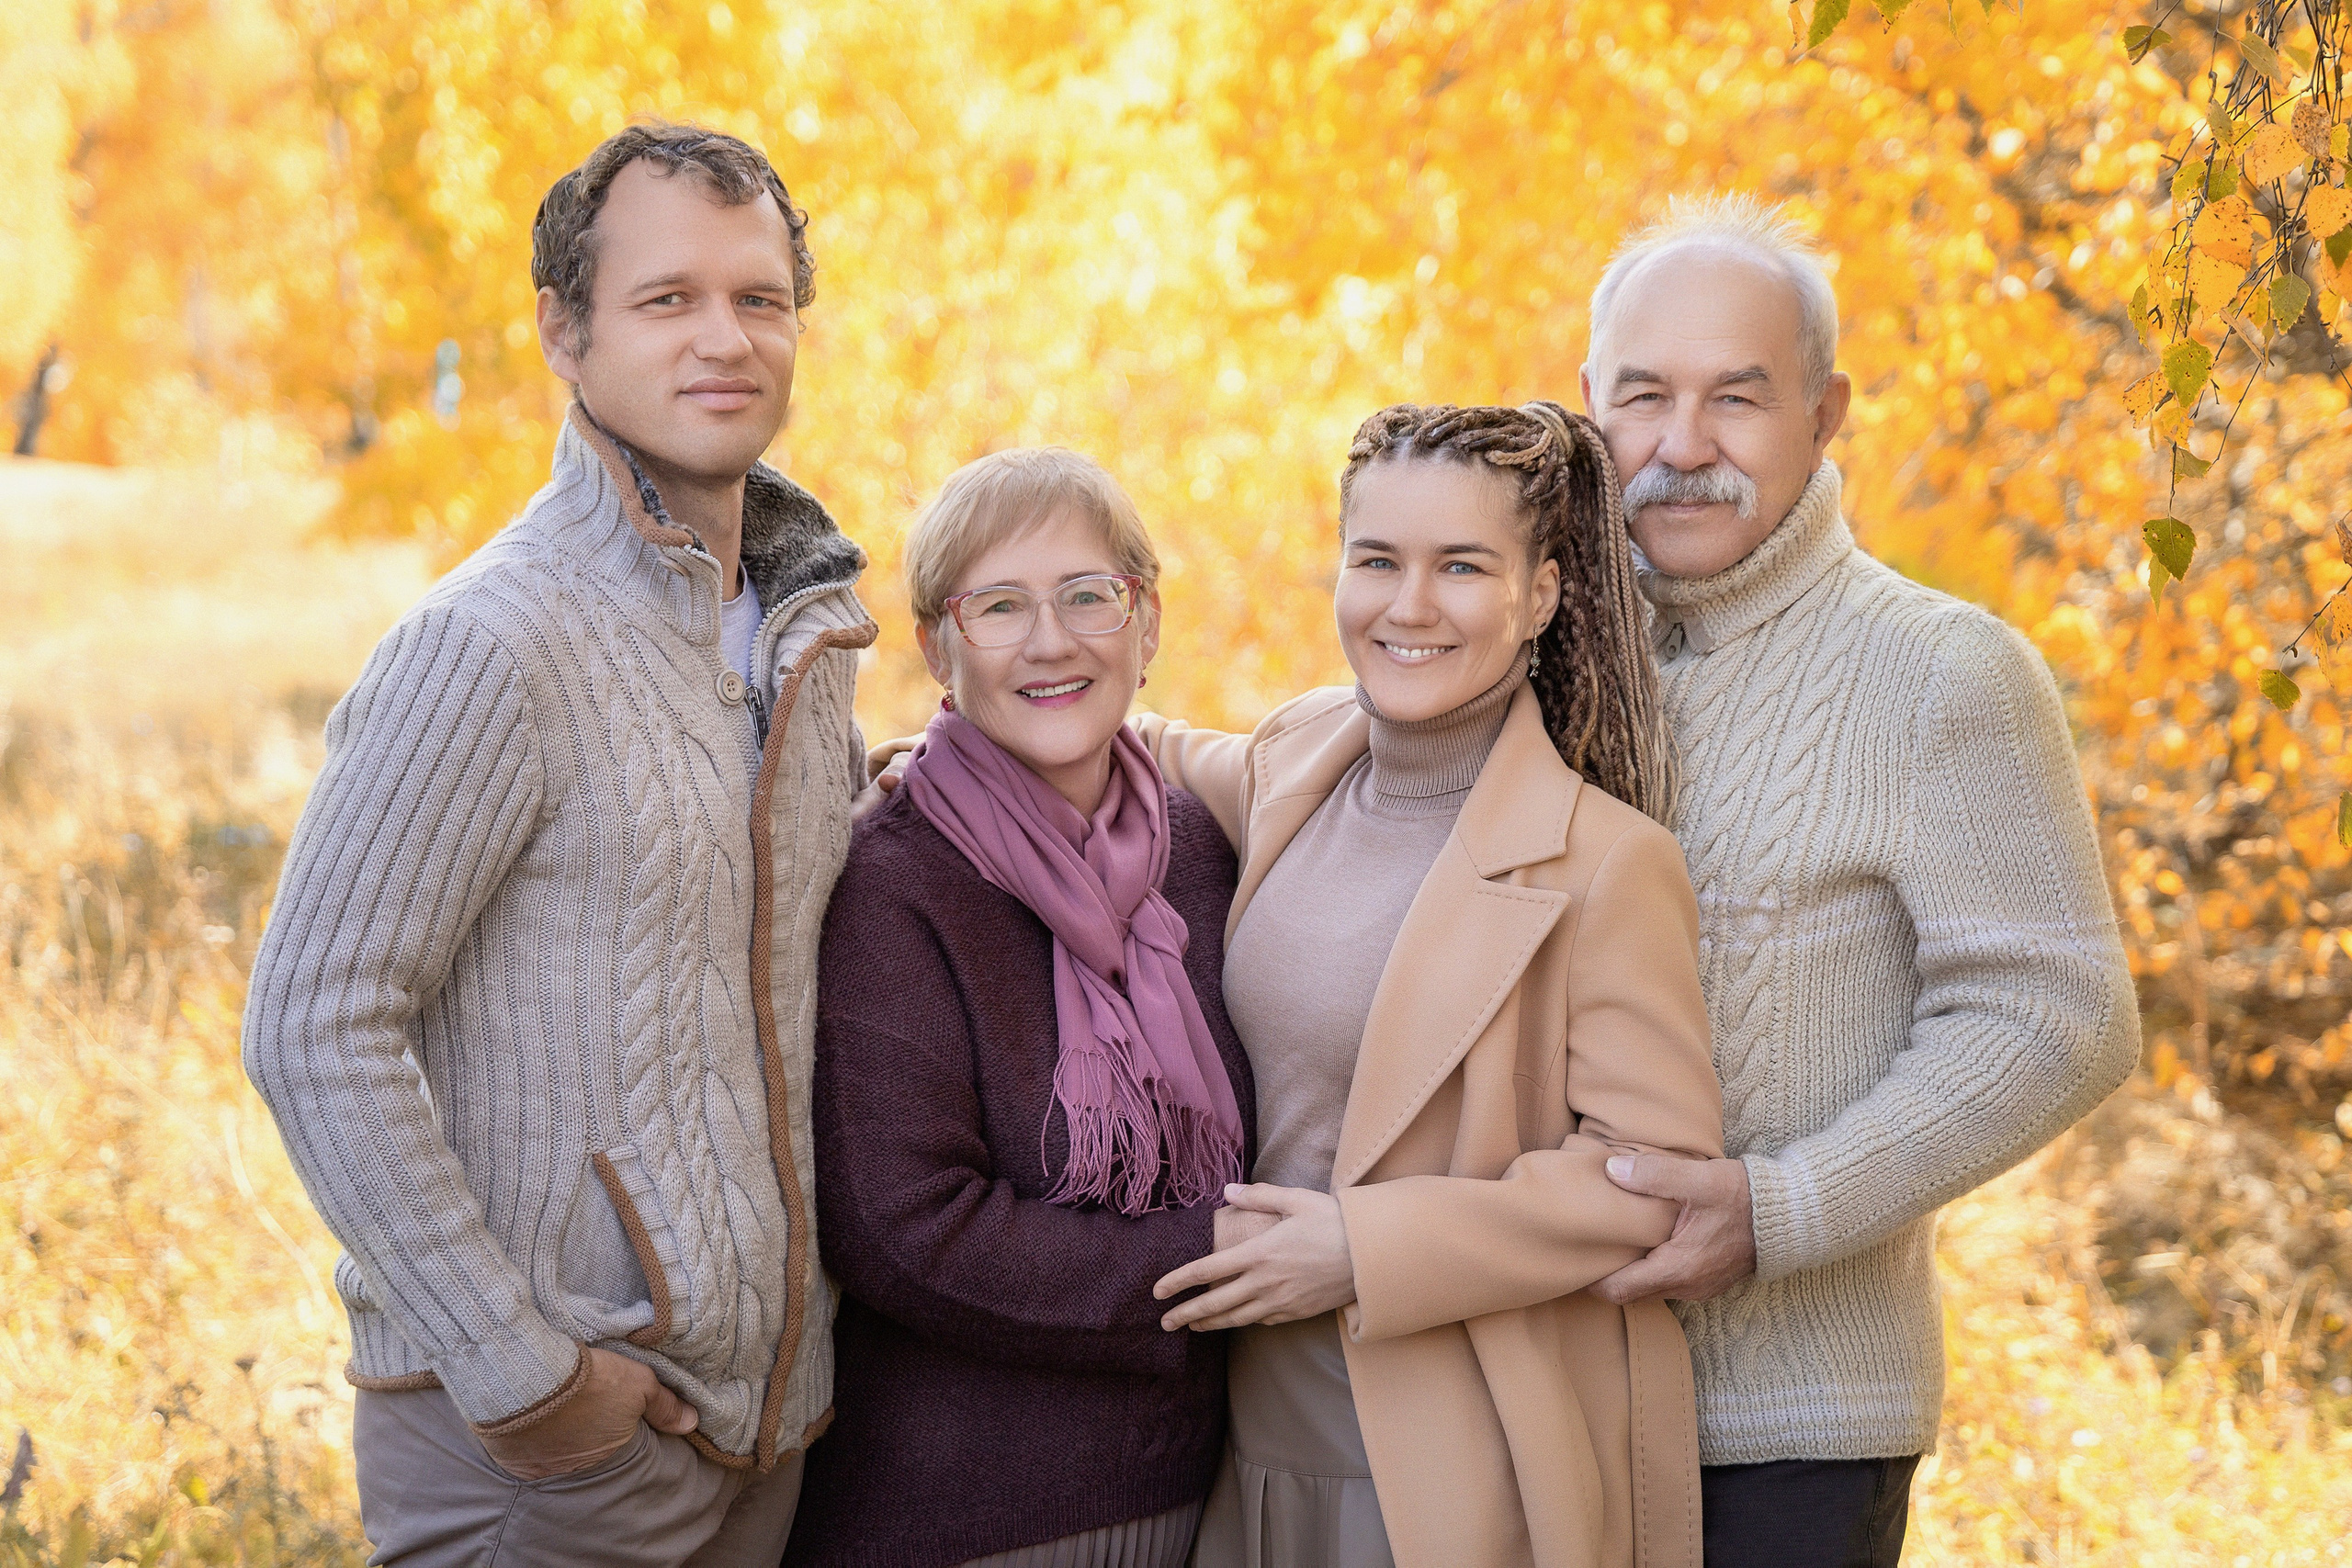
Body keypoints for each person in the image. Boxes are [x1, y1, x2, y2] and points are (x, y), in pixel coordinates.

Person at [242, 122, 870, 1566]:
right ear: (562, 332)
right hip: (549, 1456)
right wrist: (527, 1376)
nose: (726, 338)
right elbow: (311, 1020)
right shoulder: (489, 642)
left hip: (752, 1433)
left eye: (759, 298)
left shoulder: (802, 632)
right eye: (669, 300)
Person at [1576, 196, 2141, 1566]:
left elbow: (2060, 1017)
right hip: (1545, 1397)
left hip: (1790, 1436)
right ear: (1588, 410)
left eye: (1739, 399)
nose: (1684, 446)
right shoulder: (1543, 656)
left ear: (1826, 415)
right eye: (1644, 397)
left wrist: (1782, 1210)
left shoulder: (1945, 670)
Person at [1141, 402, 1725, 1568]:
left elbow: (1649, 1185)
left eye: (1461, 567)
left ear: (1541, 597)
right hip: (1236, 1424)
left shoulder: (1606, 862)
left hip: (1453, 1438)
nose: (1408, 606)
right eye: (1377, 562)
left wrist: (1367, 1246)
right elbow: (1143, 744)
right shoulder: (1298, 758)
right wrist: (962, 762)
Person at [786, 448, 1256, 1568]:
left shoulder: (1207, 852)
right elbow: (906, 1232)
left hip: (1210, 1497)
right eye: (998, 607)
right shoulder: (892, 879)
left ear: (1144, 623)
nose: (1051, 642)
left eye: (1088, 595)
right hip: (968, 1514)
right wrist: (1223, 1256)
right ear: (941, 650)